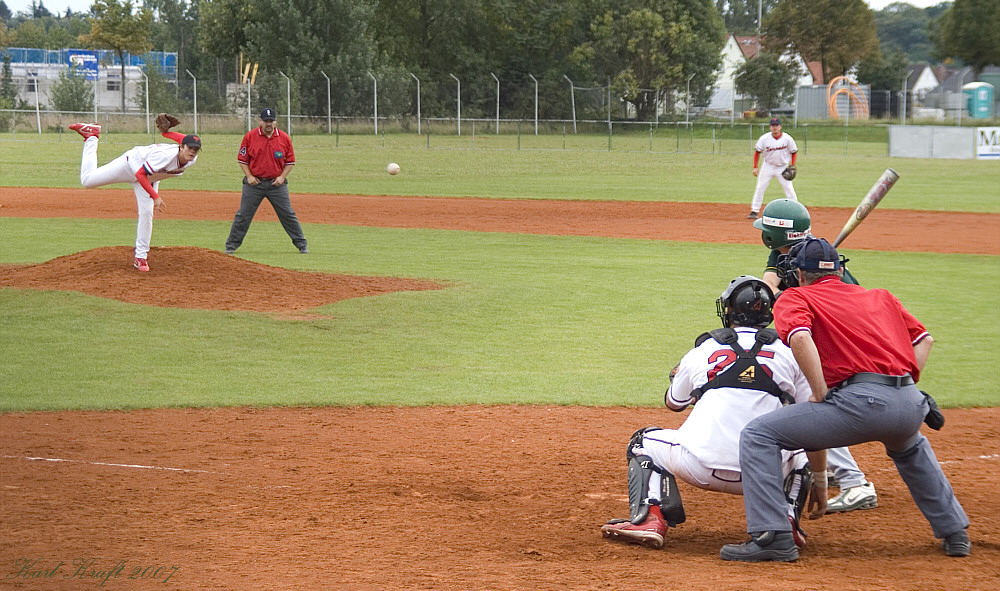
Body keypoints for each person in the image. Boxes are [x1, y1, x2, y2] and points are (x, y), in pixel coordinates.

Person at [720, 238, 970, 562]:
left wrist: (820, 391)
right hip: (910, 403)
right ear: (840, 269)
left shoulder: (796, 296)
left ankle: (773, 537)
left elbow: (799, 337)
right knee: (910, 448)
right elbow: (924, 341)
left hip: (859, 405)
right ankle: (955, 533)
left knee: (759, 434)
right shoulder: (879, 296)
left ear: (797, 273)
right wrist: (909, 385)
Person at [601, 276, 813, 551]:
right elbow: (808, 410)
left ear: (728, 310)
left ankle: (649, 519)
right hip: (763, 472)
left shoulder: (704, 349)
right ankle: (784, 523)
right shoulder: (790, 352)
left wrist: (700, 384)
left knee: (643, 441)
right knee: (805, 450)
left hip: (698, 466)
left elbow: (674, 402)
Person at [754, 199, 876, 514]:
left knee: (816, 408)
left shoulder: (818, 262)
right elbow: (769, 285)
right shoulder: (789, 254)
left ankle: (855, 483)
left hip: (844, 344)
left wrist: (789, 296)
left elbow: (848, 312)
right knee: (804, 401)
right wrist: (780, 293)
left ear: (773, 235)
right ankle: (834, 468)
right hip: (816, 339)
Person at [69, 117, 201, 272]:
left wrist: (166, 132)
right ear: (181, 147)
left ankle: (141, 257)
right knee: (87, 180)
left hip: (150, 176)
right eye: (189, 148)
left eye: (195, 149)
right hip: (131, 165)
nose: (192, 151)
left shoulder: (191, 157)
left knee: (146, 213)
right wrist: (155, 197)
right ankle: (91, 136)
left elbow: (180, 138)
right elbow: (140, 174)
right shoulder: (165, 156)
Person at [225, 107, 308, 254]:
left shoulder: (284, 138)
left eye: (271, 121)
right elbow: (242, 160)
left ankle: (302, 245)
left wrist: (282, 177)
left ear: (275, 122)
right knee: (243, 215)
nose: (268, 124)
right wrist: (249, 176)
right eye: (266, 121)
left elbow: (290, 162)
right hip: (254, 184)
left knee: (288, 214)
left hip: (276, 184)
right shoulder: (250, 137)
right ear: (260, 121)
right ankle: (231, 246)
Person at [749, 118, 798, 219]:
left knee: (789, 188)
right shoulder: (764, 138)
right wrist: (755, 167)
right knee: (760, 187)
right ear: (770, 127)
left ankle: (796, 210)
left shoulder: (787, 138)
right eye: (773, 125)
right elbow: (757, 152)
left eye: (776, 125)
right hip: (768, 166)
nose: (775, 127)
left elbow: (794, 152)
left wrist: (792, 165)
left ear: (780, 127)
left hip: (782, 167)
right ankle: (754, 210)